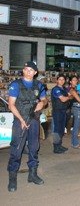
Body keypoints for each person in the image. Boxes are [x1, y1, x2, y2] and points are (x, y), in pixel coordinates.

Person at [7, 61, 48, 192]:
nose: (28, 71)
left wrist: (42, 103)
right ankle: (12, 178)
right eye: (25, 69)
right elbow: (11, 104)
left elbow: (44, 99)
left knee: (34, 147)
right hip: (20, 121)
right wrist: (21, 120)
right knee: (16, 149)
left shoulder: (39, 85)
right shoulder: (16, 84)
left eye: (31, 70)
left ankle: (32, 174)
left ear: (35, 72)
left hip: (34, 120)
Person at [51, 74, 71, 154]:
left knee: (62, 129)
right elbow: (63, 99)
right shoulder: (56, 89)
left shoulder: (64, 89)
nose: (61, 81)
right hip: (57, 111)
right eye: (60, 79)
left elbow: (70, 96)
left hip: (64, 111)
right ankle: (56, 147)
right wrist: (69, 97)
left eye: (63, 79)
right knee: (57, 129)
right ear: (57, 80)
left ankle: (59, 145)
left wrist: (69, 97)